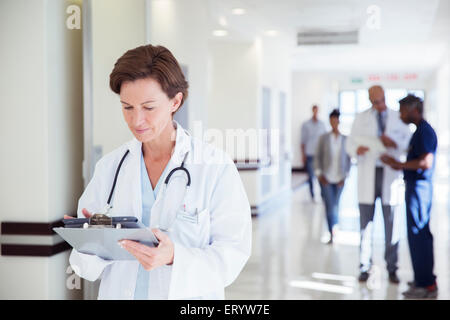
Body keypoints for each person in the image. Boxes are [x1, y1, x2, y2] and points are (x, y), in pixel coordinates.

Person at [65, 44, 252, 299]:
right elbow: (84, 266)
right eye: (127, 107)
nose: (136, 120)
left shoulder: (214, 167)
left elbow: (232, 255)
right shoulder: (110, 168)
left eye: (148, 107)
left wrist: (174, 256)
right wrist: (91, 242)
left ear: (175, 101)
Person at [346, 85, 411, 284]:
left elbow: (408, 144)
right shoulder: (360, 118)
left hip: (389, 175)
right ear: (369, 101)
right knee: (365, 225)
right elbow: (350, 144)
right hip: (368, 173)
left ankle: (392, 268)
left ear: (385, 97)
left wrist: (394, 144)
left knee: (391, 225)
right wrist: (358, 149)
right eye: (375, 102)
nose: (380, 105)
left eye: (382, 100)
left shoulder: (397, 118)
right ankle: (364, 267)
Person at [381, 94, 438, 299]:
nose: (400, 114)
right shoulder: (419, 132)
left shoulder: (424, 132)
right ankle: (423, 279)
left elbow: (425, 162)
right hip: (415, 188)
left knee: (419, 235)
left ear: (414, 110)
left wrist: (399, 165)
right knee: (416, 236)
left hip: (420, 189)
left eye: (403, 110)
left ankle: (426, 284)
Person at [314, 109, 351, 244]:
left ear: (339, 121)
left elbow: (348, 160)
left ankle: (334, 228)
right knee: (330, 205)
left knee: (336, 205)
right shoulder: (323, 138)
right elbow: (317, 157)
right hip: (326, 178)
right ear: (330, 121)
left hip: (340, 178)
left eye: (336, 120)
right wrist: (319, 174)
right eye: (332, 120)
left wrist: (345, 176)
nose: (334, 123)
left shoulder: (345, 139)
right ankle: (332, 232)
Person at [301, 105, 327, 201]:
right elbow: (303, 141)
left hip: (320, 155)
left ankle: (323, 195)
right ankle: (312, 196)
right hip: (310, 154)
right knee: (311, 177)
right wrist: (303, 155)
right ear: (312, 111)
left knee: (320, 175)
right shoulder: (306, 125)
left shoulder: (322, 125)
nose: (316, 112)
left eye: (317, 110)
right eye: (314, 110)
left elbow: (325, 140)